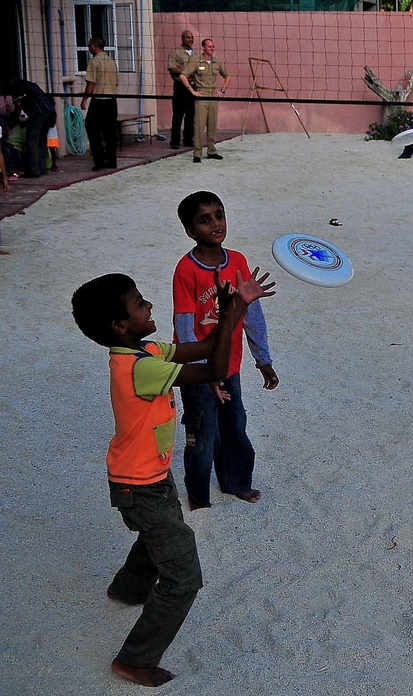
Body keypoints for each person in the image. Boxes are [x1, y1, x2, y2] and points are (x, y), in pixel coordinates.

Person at [71, 267, 274, 687]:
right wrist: (236, 308)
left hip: (146, 477)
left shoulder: (144, 350)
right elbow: (214, 364)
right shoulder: (139, 369)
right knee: (183, 577)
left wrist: (231, 311)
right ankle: (134, 659)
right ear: (119, 325)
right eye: (140, 303)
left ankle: (127, 589)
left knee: (158, 532)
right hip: (139, 486)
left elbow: (201, 348)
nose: (149, 305)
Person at [172, 190, 279, 510]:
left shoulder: (238, 261)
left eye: (219, 215)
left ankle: (236, 482)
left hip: (228, 367)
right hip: (199, 370)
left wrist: (263, 359)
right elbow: (185, 327)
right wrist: (206, 373)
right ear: (191, 231)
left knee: (235, 426)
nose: (215, 224)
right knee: (202, 436)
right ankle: (198, 496)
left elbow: (252, 314)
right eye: (205, 220)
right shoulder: (186, 270)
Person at [179, 39, 230, 163]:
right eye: (209, 46)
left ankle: (211, 151)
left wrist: (222, 91)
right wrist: (193, 91)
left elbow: (227, 76)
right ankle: (197, 153)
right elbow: (182, 75)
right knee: (199, 125)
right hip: (201, 96)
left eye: (213, 46)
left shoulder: (217, 62)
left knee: (212, 125)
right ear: (203, 47)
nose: (212, 48)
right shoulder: (196, 60)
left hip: (213, 96)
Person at [2, 74, 57, 178]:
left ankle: (34, 171)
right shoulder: (31, 84)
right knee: (42, 141)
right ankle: (42, 169)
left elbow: (18, 107)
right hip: (50, 112)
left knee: (32, 142)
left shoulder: (16, 86)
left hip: (39, 113)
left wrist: (11, 123)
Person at [81, 37, 119, 171]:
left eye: (89, 45)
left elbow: (91, 83)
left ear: (94, 46)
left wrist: (84, 99)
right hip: (112, 100)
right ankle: (112, 160)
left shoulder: (94, 61)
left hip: (99, 101)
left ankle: (99, 161)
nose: (88, 48)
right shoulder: (112, 61)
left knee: (92, 128)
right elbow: (116, 82)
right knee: (110, 132)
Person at [167, 30, 196, 150]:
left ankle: (188, 140)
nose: (190, 39)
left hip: (193, 86)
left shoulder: (196, 54)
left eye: (192, 37)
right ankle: (175, 141)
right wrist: (186, 71)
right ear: (182, 39)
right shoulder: (176, 53)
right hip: (180, 88)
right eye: (187, 37)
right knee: (178, 116)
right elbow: (172, 69)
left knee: (191, 116)